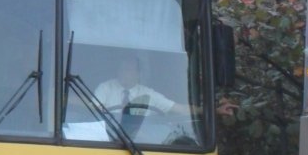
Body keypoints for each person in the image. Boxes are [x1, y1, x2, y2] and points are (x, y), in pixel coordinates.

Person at [94, 57, 237, 116]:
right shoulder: (105, 88)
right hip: (108, 139)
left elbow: (179, 108)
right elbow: (93, 111)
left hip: (142, 142)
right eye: (122, 69)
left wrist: (213, 111)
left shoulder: (148, 94)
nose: (124, 73)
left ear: (138, 74)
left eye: (129, 70)